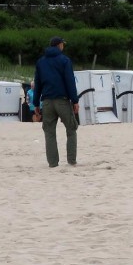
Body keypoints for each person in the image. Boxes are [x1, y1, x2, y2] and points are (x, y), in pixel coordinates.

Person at [34, 36, 80, 167]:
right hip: (62, 100)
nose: (63, 46)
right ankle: (71, 160)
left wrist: (36, 103)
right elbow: (70, 81)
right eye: (63, 44)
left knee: (49, 132)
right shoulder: (65, 60)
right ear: (59, 45)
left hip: (47, 102)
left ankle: (53, 163)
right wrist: (75, 100)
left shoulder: (40, 62)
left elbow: (37, 84)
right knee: (71, 129)